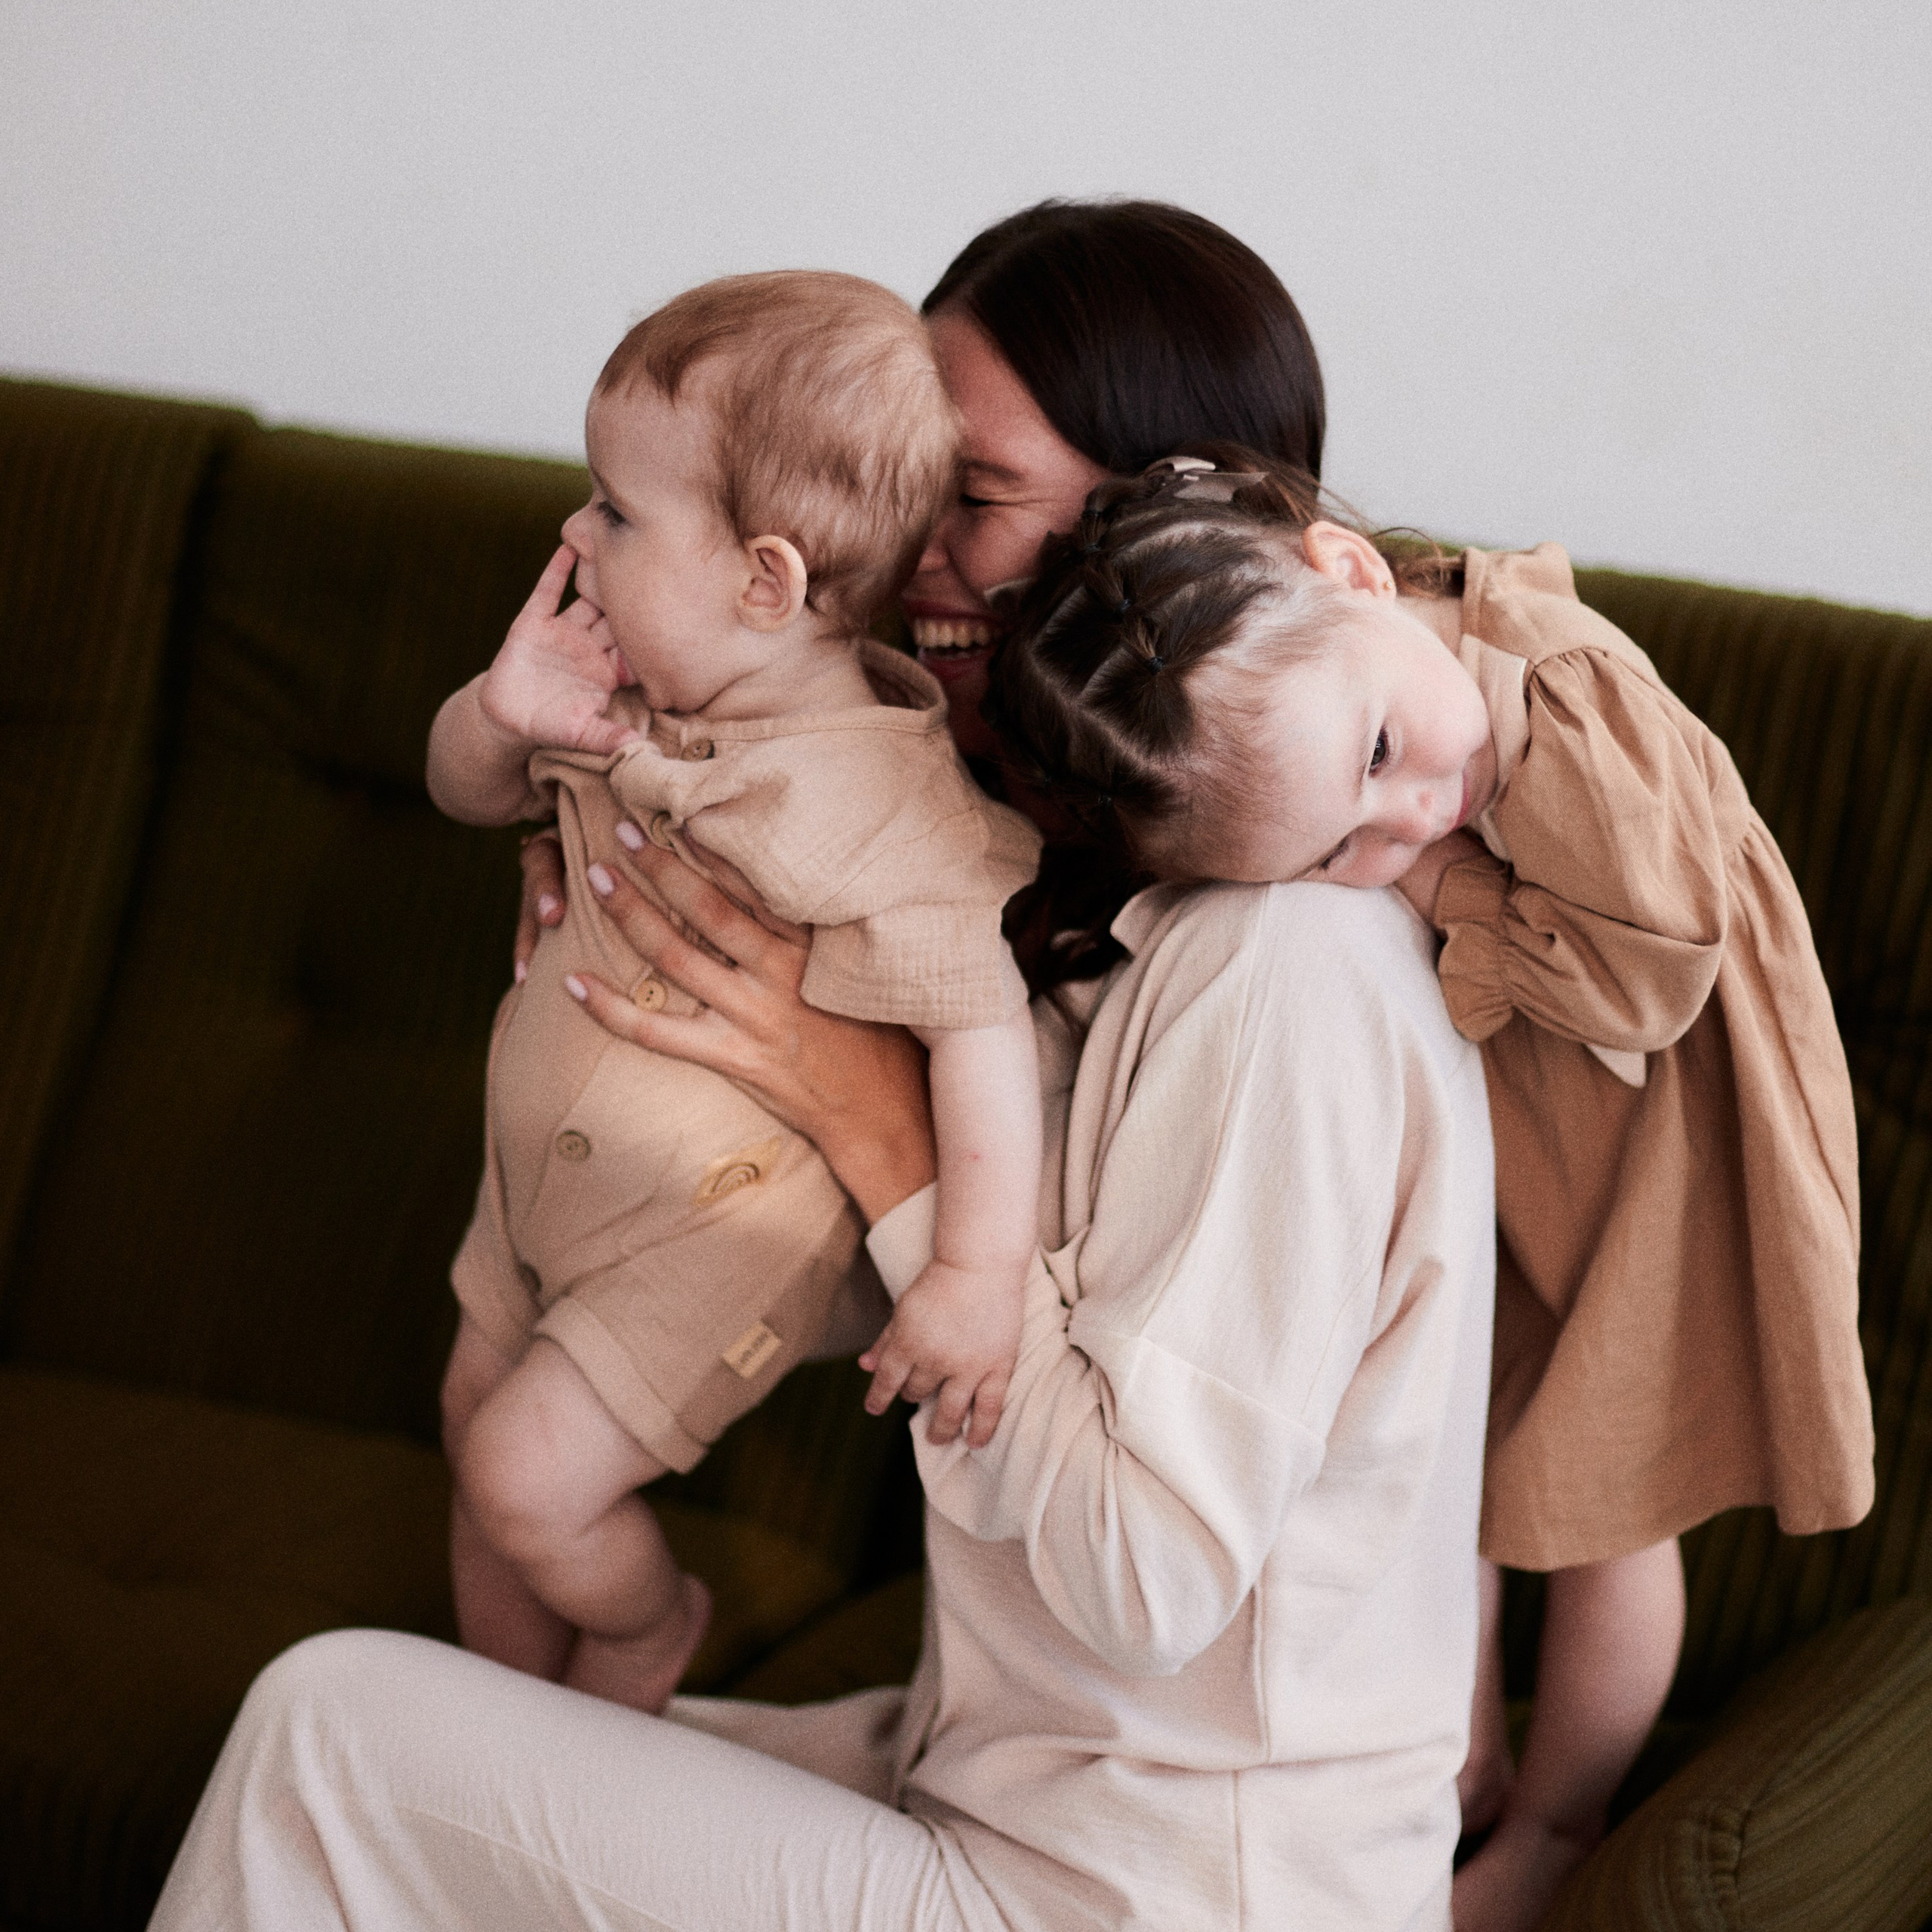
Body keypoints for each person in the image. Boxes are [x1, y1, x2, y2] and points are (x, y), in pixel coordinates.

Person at [150, 202, 1499, 1932]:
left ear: (1156, 526)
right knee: (500, 1742)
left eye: (970, 492)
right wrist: (594, 809)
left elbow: (1144, 1578)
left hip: (1146, 1890)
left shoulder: (1284, 969)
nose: (892, 533)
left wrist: (871, 1125)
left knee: (326, 1732)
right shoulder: (1059, 889)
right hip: (1004, 1781)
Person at [982, 450, 1875, 1932]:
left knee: (1605, 1509)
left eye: (1386, 751)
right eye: (1344, 843)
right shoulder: (1342, 687)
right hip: (1532, 1120)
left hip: (1661, 1148)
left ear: (1347, 569)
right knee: (1458, 1476)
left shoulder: (1562, 692)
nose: (1413, 811)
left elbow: (1637, 976)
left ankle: (1554, 1822)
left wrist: (1424, 883)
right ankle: (1457, 1771)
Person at [423, 269, 1042, 1715]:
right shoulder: (629, 684)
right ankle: (483, 1738)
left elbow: (980, 1025)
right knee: (471, 1435)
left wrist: (974, 1272)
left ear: (766, 581)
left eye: (618, 512)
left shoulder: (885, 799)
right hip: (532, 1195)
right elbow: (462, 792)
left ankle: (643, 1632)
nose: (576, 532)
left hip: (711, 1234)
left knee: (526, 1476)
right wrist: (498, 717)